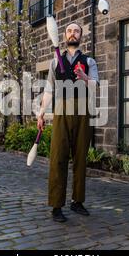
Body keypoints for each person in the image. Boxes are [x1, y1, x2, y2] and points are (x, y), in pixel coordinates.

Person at [37, 23, 100, 223]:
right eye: (70, 31)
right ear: (64, 35)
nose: (73, 33)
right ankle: (56, 206)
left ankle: (77, 201)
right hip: (61, 110)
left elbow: (95, 87)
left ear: (81, 35)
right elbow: (48, 90)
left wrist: (85, 77)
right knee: (58, 157)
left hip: (83, 111)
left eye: (77, 31)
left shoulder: (89, 61)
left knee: (81, 158)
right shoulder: (56, 61)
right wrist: (40, 113)